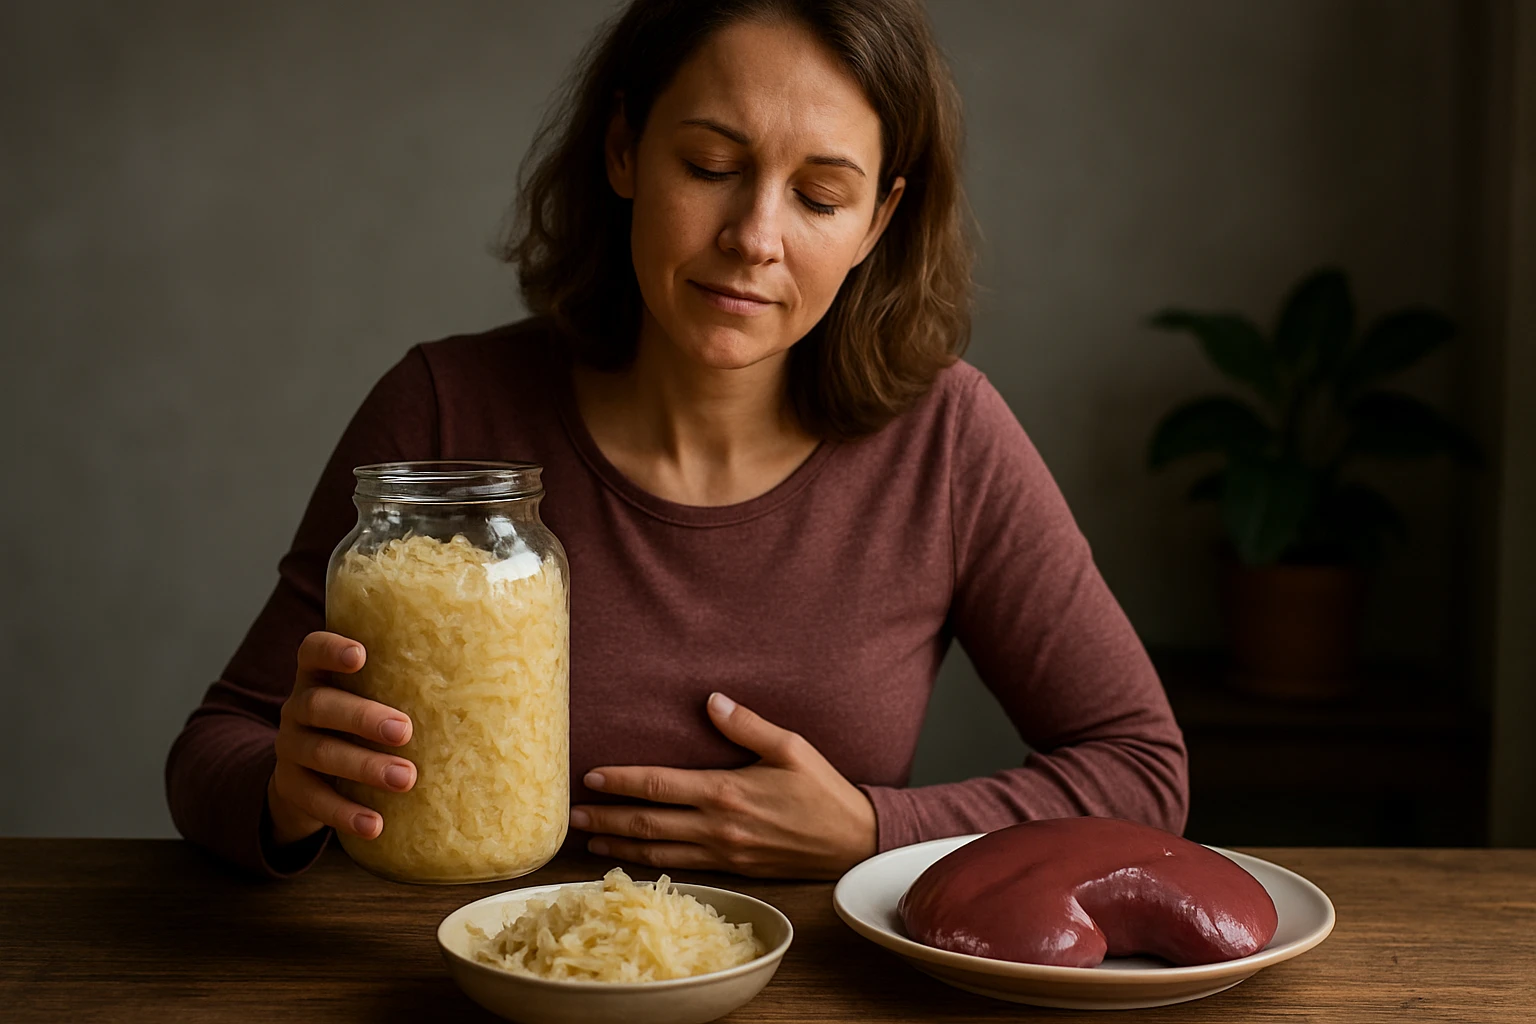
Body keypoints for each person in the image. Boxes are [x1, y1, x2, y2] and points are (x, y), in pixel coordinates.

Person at [166, 0, 1187, 882]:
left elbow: (1142, 770)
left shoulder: (949, 440)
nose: (754, 235)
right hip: (450, 980)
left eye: (821, 197)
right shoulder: (445, 410)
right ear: (624, 150)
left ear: (878, 221)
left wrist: (879, 830)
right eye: (709, 165)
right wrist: (289, 792)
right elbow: (219, 747)